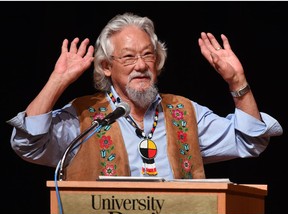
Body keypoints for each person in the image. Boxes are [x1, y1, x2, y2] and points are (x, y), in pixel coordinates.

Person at [7, 12, 283, 181]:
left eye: (147, 55)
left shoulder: (184, 112)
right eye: (128, 57)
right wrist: (57, 82)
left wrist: (238, 81)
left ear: (158, 61)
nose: (140, 65)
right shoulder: (85, 117)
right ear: (106, 66)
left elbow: (249, 139)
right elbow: (30, 143)